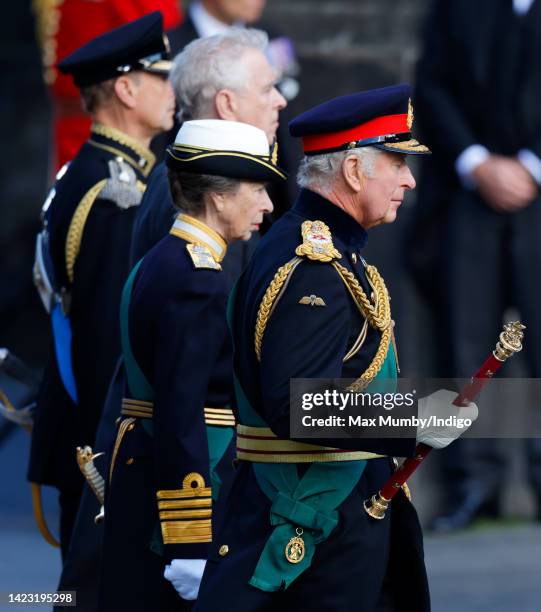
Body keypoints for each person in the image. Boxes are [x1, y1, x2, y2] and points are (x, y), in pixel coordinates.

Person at [194, 84, 478, 611]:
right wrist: (414, 418)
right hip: (315, 531)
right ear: (353, 171)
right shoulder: (314, 267)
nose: (409, 179)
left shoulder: (321, 248)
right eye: (397, 162)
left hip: (330, 522)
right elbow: (298, 404)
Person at [98, 119, 284, 611]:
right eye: (258, 188)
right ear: (219, 197)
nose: (267, 205)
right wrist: (189, 541)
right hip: (190, 484)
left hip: (148, 468)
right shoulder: (198, 280)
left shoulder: (166, 259)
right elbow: (182, 411)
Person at [28, 11, 175, 561]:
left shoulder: (93, 171)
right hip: (98, 440)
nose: (171, 89)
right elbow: (106, 343)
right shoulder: (115, 196)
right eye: (161, 77)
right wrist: (117, 456)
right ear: (126, 87)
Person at [410, 0, 541, 530]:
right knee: (465, 343)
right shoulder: (456, 6)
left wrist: (532, 166)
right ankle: (472, 484)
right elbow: (432, 85)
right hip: (466, 194)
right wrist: (476, 162)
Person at [129, 28, 287, 278]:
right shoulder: (193, 185)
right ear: (227, 104)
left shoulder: (180, 175)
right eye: (267, 90)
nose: (280, 101)